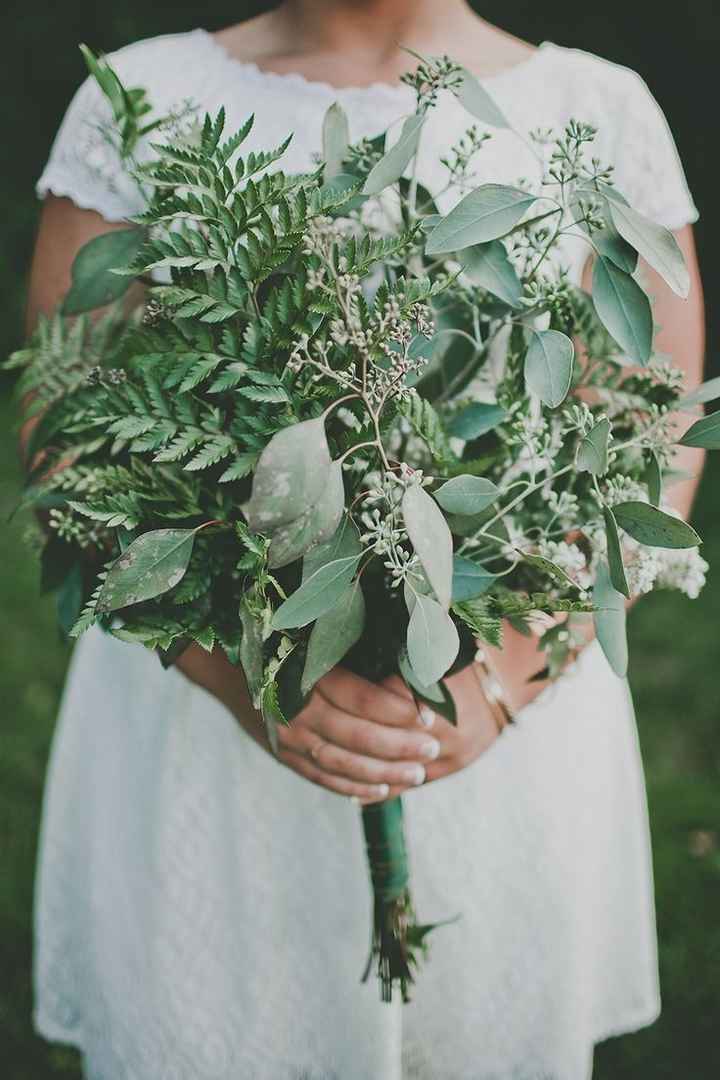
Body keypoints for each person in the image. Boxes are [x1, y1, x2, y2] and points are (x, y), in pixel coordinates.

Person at [27, 2, 705, 1077]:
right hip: (211, 725)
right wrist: (241, 676)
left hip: (498, 712)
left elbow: (649, 434)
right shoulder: (142, 98)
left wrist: (508, 680)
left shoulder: (600, 107)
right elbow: (65, 441)